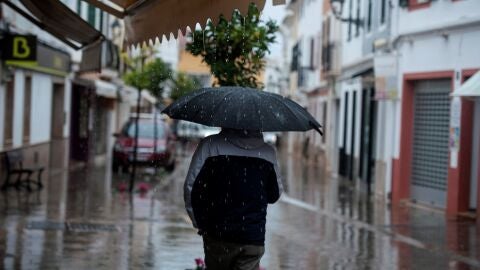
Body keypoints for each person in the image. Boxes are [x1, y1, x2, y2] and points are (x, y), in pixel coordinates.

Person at [184, 128, 283, 270]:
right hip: (252, 238)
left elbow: (191, 189)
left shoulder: (210, 145)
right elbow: (275, 194)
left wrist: (199, 223)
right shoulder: (267, 152)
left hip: (217, 236)